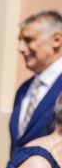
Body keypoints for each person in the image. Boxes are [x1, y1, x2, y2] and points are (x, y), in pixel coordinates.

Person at [10, 10, 62, 156]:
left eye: (28, 40)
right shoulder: (24, 89)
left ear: (56, 40)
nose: (21, 48)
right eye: (20, 41)